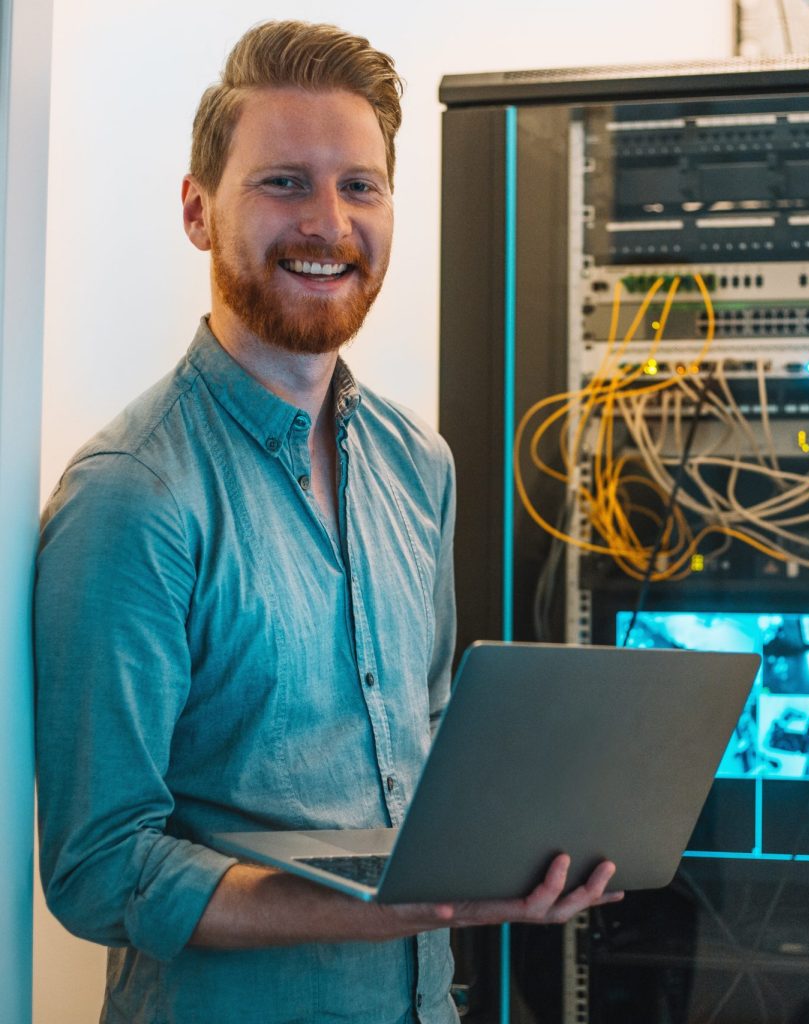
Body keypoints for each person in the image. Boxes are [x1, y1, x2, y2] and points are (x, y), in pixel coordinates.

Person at [34, 20, 621, 1024]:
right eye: (283, 183)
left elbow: (426, 751)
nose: (328, 224)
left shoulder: (416, 464)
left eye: (360, 186)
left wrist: (527, 841)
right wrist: (393, 908)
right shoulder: (133, 495)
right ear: (197, 210)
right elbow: (100, 869)